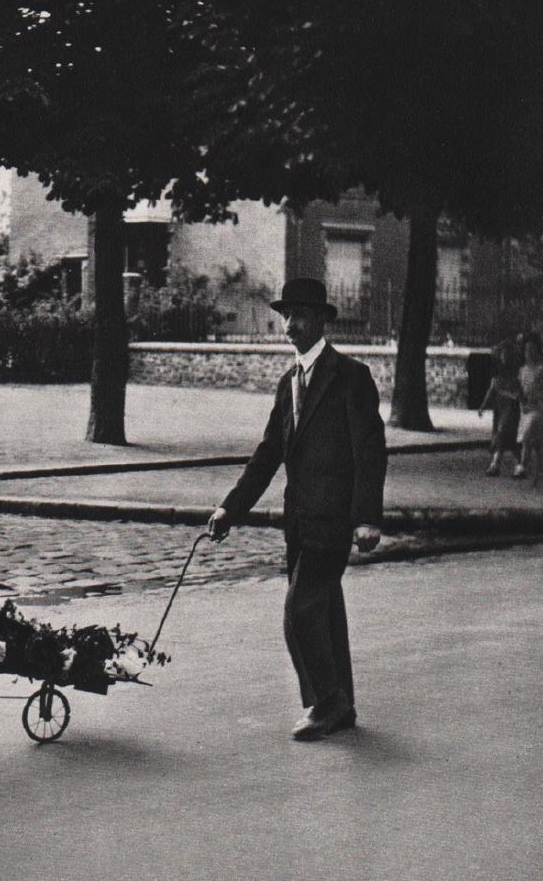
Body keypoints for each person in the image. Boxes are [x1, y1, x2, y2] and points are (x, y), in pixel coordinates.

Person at [207, 278, 387, 741]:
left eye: (301, 314)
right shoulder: (288, 383)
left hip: (334, 520)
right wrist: (232, 508)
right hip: (299, 520)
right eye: (287, 315)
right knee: (324, 610)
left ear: (323, 320)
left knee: (300, 610)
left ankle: (325, 702)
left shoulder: (351, 377)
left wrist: (367, 517)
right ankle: (341, 704)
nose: (291, 324)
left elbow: (370, 451)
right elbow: (268, 453)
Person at [478, 340, 521, 476]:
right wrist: (483, 406)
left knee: (503, 432)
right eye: (503, 354)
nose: (505, 357)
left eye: (508, 354)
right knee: (504, 435)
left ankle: (498, 463)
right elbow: (492, 390)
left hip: (511, 407)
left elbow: (519, 391)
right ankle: (512, 463)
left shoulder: (516, 372)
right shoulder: (497, 371)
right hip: (500, 407)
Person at [517, 332, 543, 488]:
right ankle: (540, 476)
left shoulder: (542, 369)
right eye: (526, 350)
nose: (529, 353)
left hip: (541, 407)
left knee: (531, 435)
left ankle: (523, 464)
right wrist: (523, 404)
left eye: (532, 350)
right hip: (528, 408)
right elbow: (521, 391)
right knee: (537, 446)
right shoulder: (523, 370)